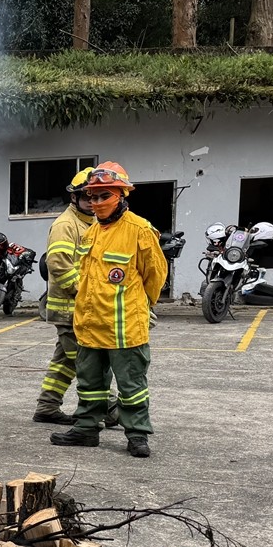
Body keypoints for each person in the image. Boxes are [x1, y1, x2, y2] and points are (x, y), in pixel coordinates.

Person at [51, 162, 167, 458]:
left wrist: (142, 307)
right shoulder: (91, 233)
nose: (97, 203)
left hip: (125, 328)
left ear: (121, 195)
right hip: (90, 326)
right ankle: (86, 429)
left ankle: (138, 434)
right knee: (90, 385)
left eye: (104, 196)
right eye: (92, 197)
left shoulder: (139, 230)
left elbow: (155, 276)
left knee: (132, 386)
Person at [32, 167, 96, 425]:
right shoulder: (66, 225)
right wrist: (82, 291)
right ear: (74, 198)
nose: (92, 203)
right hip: (70, 308)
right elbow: (58, 263)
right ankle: (110, 407)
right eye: (87, 197)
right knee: (85, 362)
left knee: (64, 361)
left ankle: (47, 406)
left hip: (79, 307)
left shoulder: (89, 223)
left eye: (97, 196)